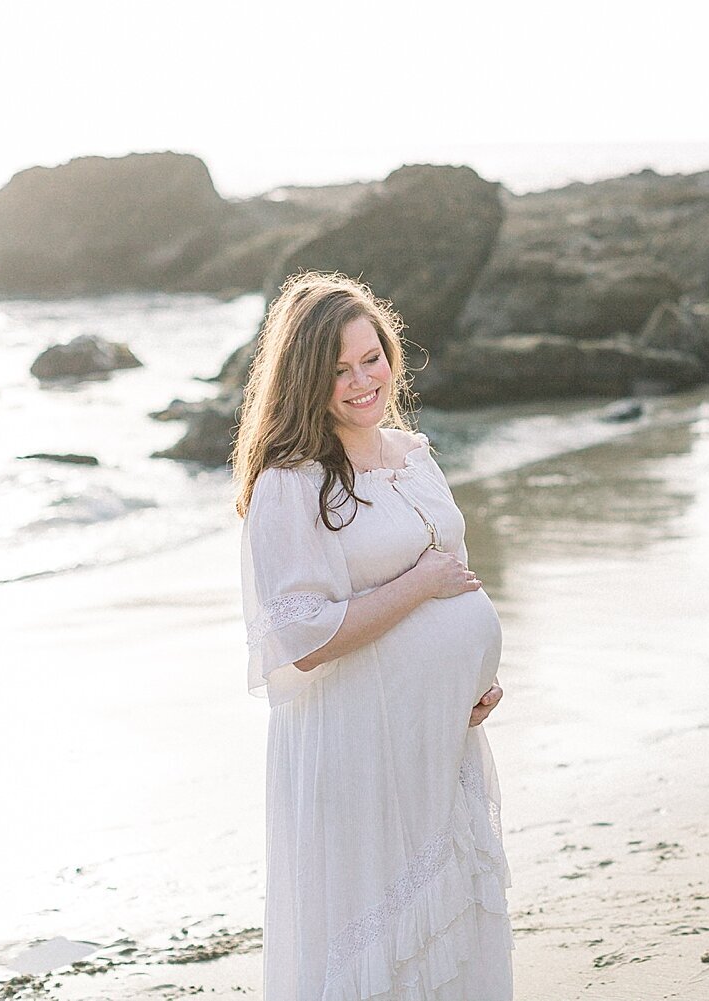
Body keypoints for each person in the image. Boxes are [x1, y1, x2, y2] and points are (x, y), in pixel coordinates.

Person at [233, 271, 513, 1001]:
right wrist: (419, 585)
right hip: (355, 746)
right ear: (304, 379)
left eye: (372, 358)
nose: (363, 381)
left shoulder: (412, 453)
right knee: (378, 936)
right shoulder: (290, 483)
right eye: (338, 369)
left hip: (434, 737)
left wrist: (471, 681)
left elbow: (455, 572)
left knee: (449, 923)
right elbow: (300, 637)